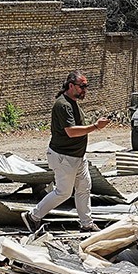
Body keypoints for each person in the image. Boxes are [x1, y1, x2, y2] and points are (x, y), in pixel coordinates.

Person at [25, 71, 111, 233]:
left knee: (84, 188)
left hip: (77, 156)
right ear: (71, 85)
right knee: (63, 193)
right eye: (82, 87)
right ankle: (33, 216)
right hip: (64, 157)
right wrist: (95, 127)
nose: (84, 90)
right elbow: (71, 131)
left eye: (86, 86)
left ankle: (86, 224)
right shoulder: (62, 105)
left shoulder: (72, 102)